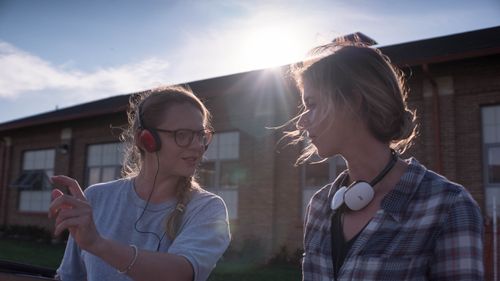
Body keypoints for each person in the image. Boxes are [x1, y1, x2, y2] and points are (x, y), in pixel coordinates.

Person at [287, 40, 484, 280]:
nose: (301, 122)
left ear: (353, 101)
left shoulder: (447, 206)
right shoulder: (319, 206)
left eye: (312, 104)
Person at [49, 86, 231, 281]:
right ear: (146, 140)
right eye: (183, 135)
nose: (198, 146)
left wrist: (98, 244)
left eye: (201, 135)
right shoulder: (95, 198)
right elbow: (69, 277)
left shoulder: (207, 208)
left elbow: (181, 273)